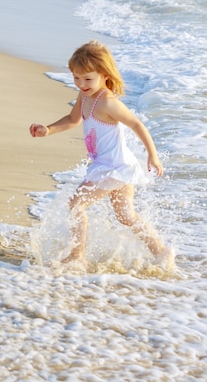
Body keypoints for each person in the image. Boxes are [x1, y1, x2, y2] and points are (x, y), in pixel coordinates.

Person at [29, 40, 173, 267]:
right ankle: (161, 252)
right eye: (76, 78)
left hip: (114, 167)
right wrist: (47, 130)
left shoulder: (107, 102)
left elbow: (136, 125)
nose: (81, 84)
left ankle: (77, 255)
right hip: (111, 165)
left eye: (87, 79)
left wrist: (152, 155)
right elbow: (73, 119)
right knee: (126, 216)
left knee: (76, 204)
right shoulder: (85, 96)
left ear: (104, 75)